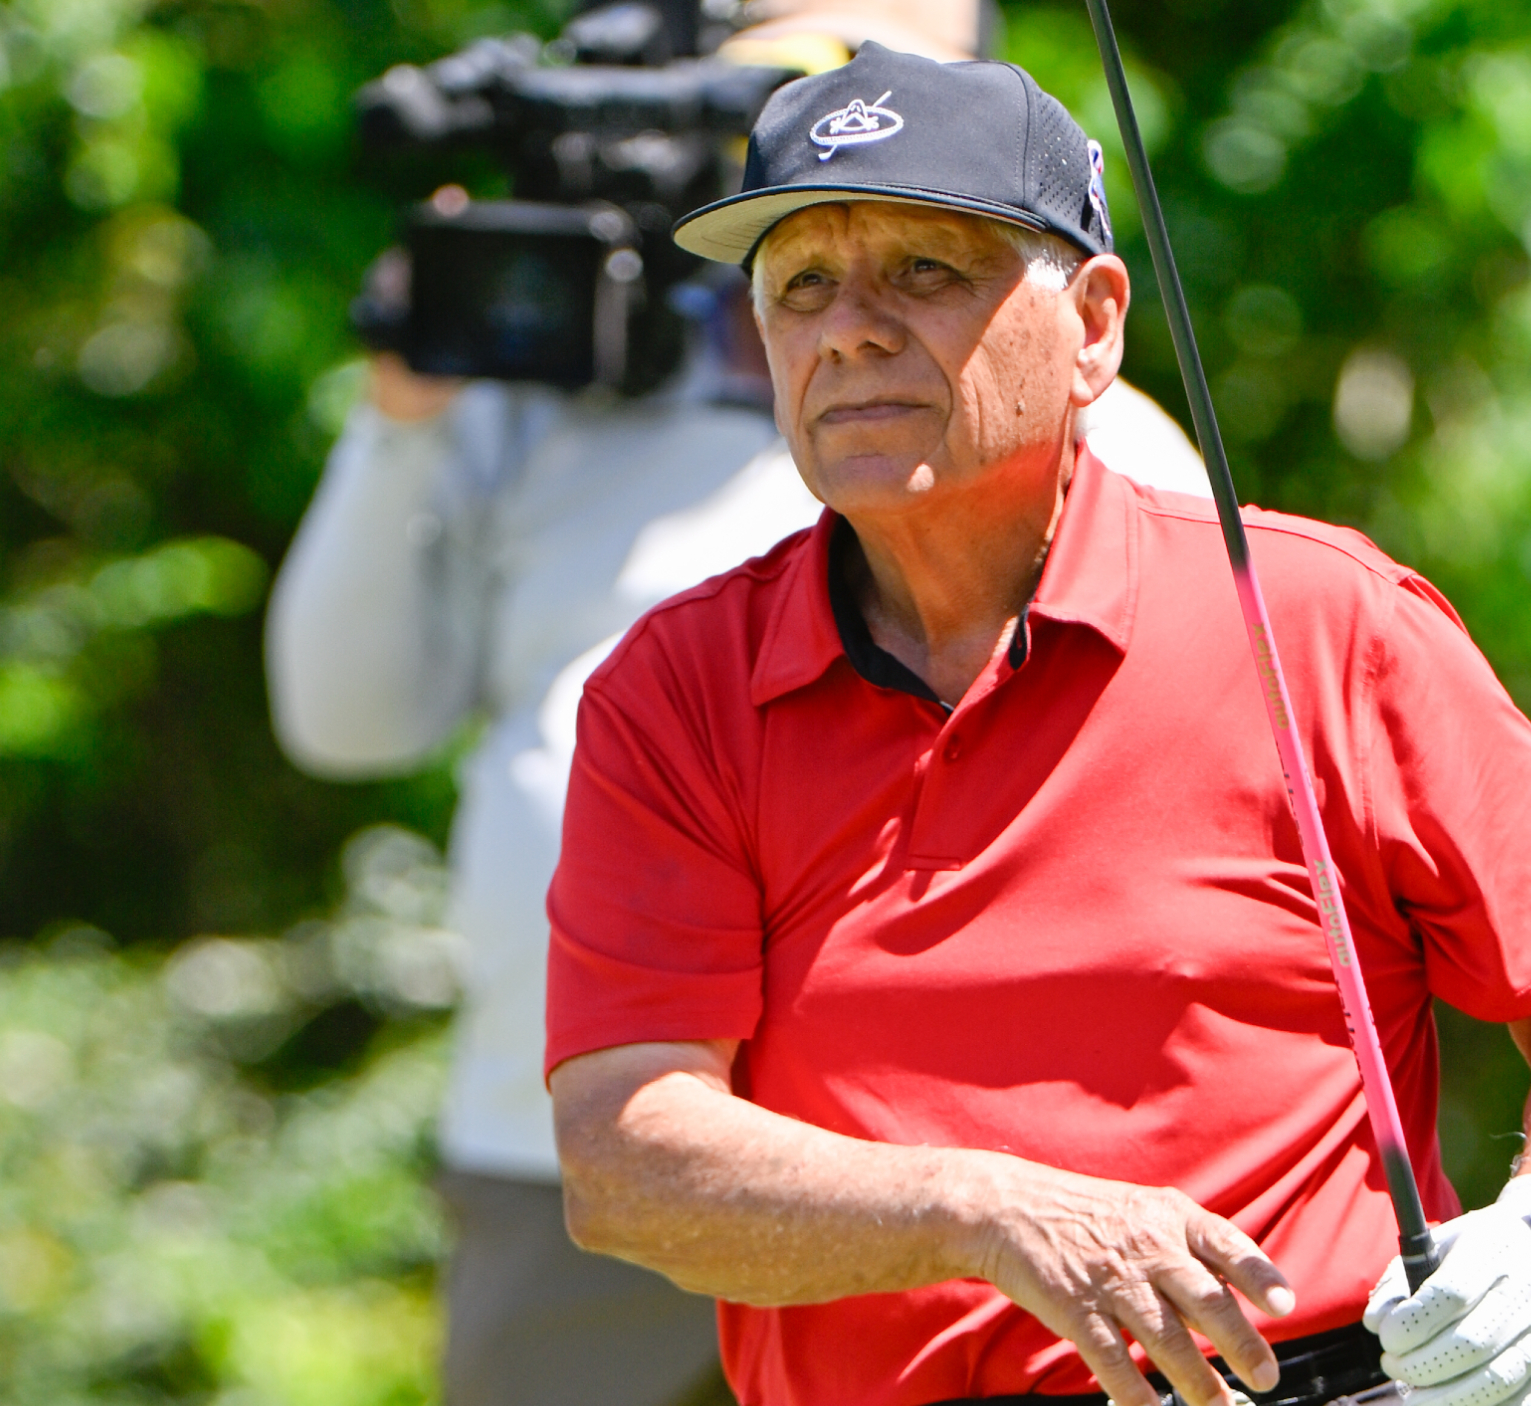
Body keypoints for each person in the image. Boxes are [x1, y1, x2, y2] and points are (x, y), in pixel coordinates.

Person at [543, 41, 1531, 1406]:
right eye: (800, 285)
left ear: (1094, 325)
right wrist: (987, 1209)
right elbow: (623, 1159)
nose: (847, 327)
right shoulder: (676, 692)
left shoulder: (1318, 617)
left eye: (924, 270)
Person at [264, 11, 1211, 1405]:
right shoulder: (537, 372)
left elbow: (1199, 715)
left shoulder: (1057, 396)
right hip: (572, 1159)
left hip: (979, 1164)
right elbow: (345, 719)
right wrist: (404, 412)